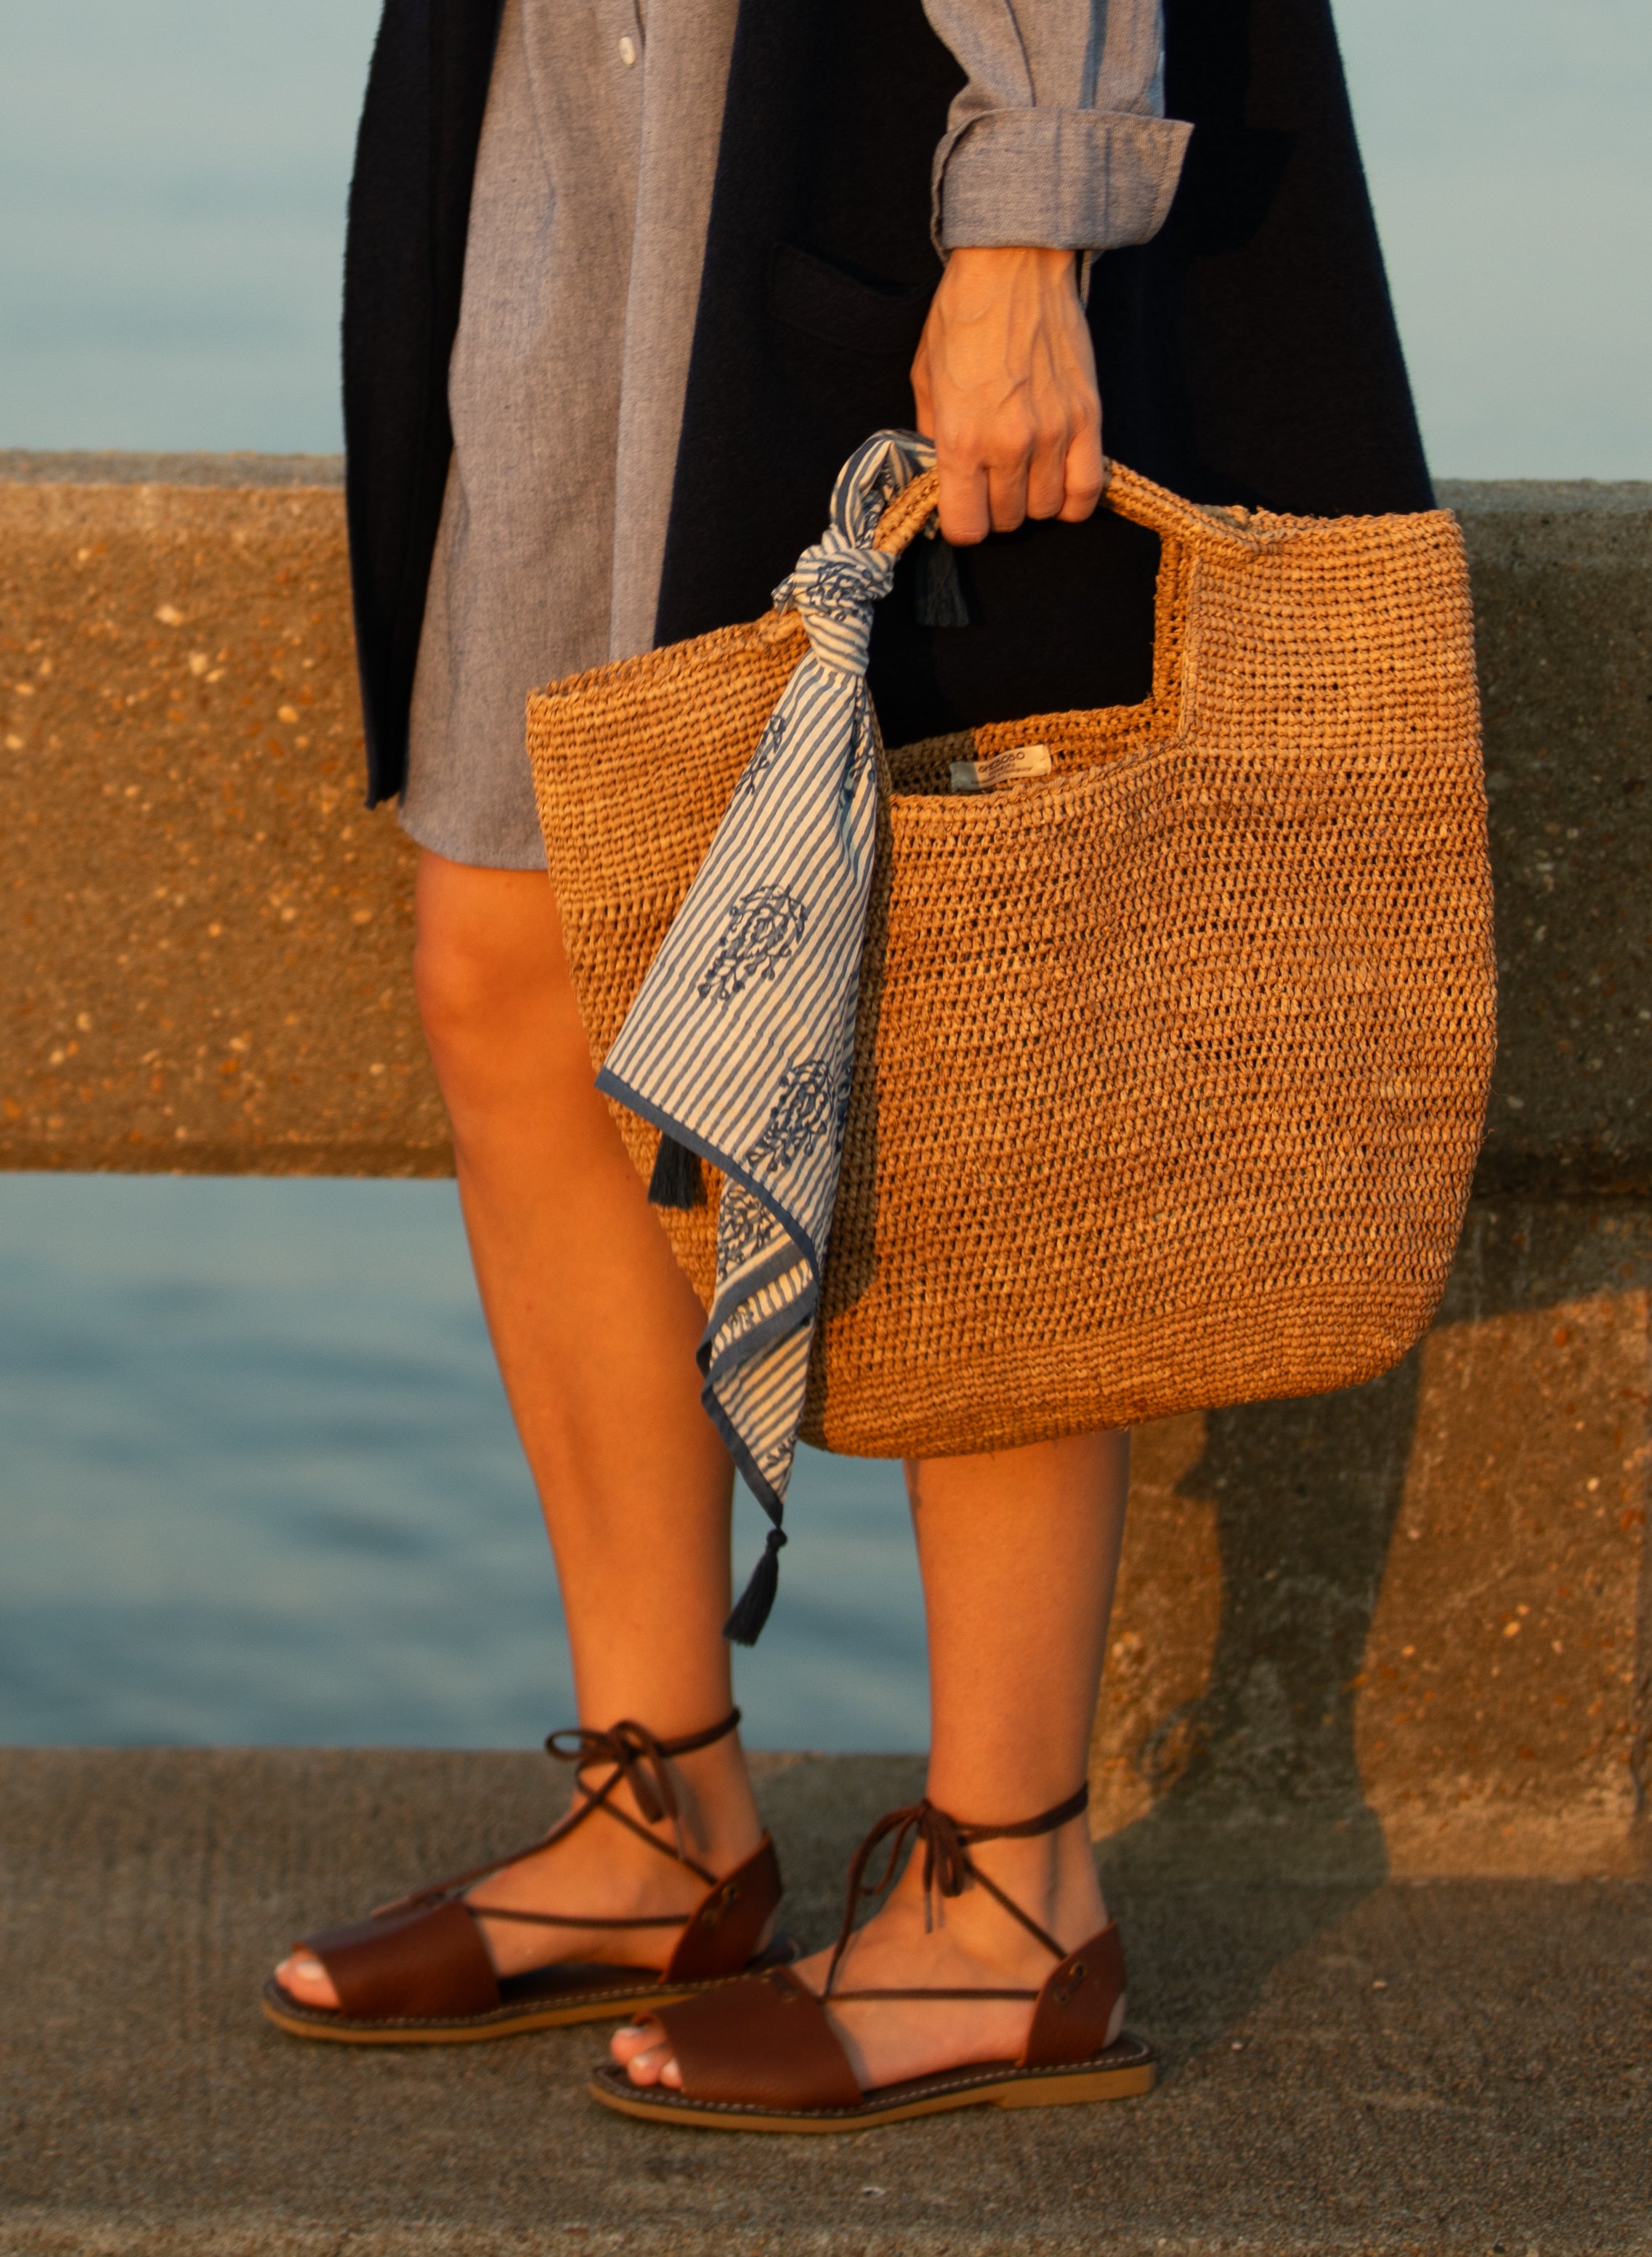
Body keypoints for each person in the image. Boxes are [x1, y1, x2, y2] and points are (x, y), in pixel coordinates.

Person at [265, 0, 1431, 2128]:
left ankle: (1012, 1888)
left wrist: (1029, 212)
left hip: (886, 96)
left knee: (959, 967)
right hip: (567, 100)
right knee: (508, 947)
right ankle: (661, 1814)